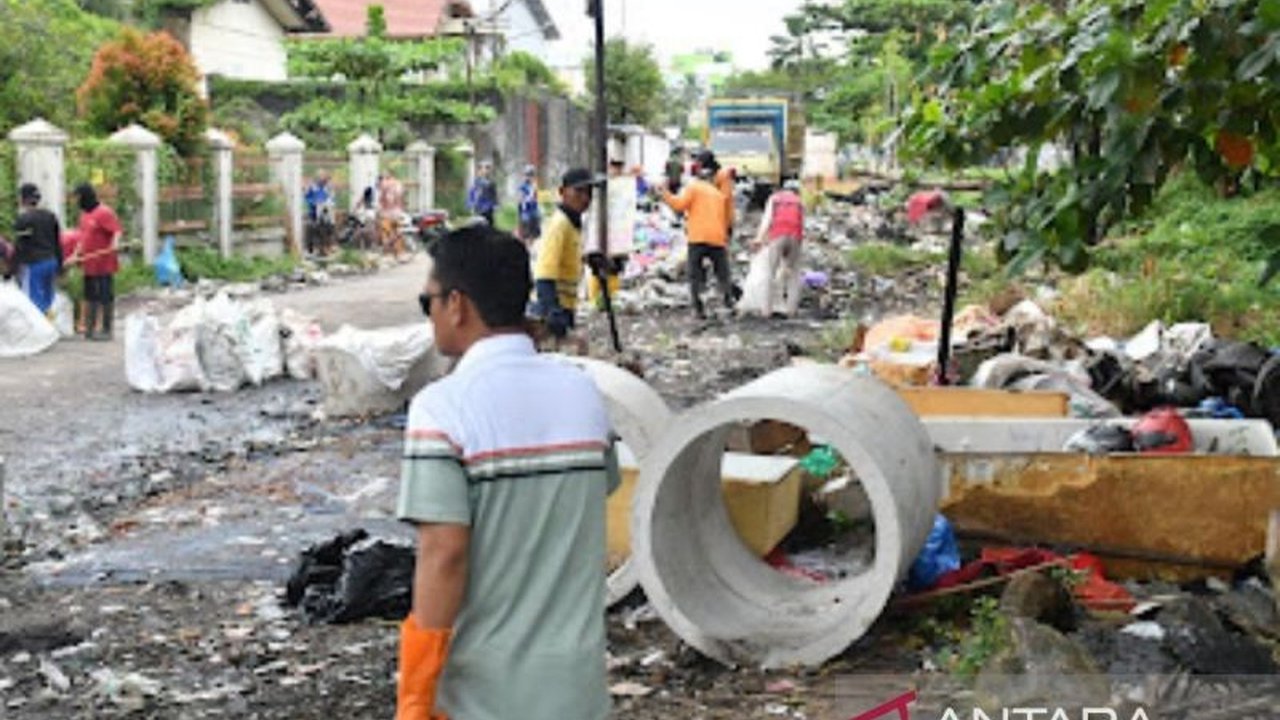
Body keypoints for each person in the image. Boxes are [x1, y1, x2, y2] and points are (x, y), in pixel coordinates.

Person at [397, 223, 618, 720]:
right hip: (578, 688)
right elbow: (589, 500)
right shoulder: (581, 393)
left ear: (457, 304)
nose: (430, 315)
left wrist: (415, 692)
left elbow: (444, 554)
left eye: (426, 301)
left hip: (485, 696)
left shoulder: (442, 409)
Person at [532, 167, 597, 348]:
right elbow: (544, 273)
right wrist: (552, 310)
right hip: (550, 308)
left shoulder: (573, 223)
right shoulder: (559, 224)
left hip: (566, 305)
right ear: (562, 192)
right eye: (578, 191)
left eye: (589, 193)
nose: (585, 198)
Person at [661, 162, 732, 320]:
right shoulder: (717, 193)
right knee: (722, 273)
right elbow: (727, 218)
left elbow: (679, 205)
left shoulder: (694, 188)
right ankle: (728, 301)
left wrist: (664, 192)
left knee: (694, 274)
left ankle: (698, 308)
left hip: (698, 237)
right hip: (718, 237)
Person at [70, 182, 122, 341]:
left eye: (78, 197)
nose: (76, 200)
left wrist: (115, 245)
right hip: (89, 263)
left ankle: (107, 329)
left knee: (105, 294)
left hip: (104, 263)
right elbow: (82, 238)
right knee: (90, 294)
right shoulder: (84, 215)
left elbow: (116, 231)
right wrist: (75, 254)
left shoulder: (104, 213)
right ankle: (90, 329)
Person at [748, 179, 806, 317]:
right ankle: (792, 310)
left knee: (770, 273)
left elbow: (767, 220)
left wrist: (759, 239)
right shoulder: (799, 202)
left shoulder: (775, 199)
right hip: (795, 236)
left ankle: (766, 310)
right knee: (793, 275)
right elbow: (802, 223)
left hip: (778, 235)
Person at [12, 183, 62, 314]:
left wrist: (13, 269)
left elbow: (20, 246)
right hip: (51, 262)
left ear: (23, 199)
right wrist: (60, 265)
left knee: (32, 302)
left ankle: (39, 331)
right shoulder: (51, 216)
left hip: (34, 264)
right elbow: (57, 242)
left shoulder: (23, 220)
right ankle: (49, 328)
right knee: (47, 299)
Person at [304, 171, 335, 256]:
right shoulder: (312, 187)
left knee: (329, 225)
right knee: (310, 226)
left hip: (325, 211)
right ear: (317, 178)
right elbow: (306, 198)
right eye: (321, 178)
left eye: (324, 178)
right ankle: (311, 248)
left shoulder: (328, 188)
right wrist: (314, 203)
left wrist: (329, 203)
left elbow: (332, 198)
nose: (323, 180)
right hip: (313, 213)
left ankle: (329, 246)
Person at [378, 173, 406, 257]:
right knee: (397, 231)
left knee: (385, 232)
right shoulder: (399, 184)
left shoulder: (384, 184)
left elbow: (382, 199)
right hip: (397, 212)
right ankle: (399, 252)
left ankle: (387, 251)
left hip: (387, 212)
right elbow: (401, 198)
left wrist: (381, 207)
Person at [467, 161, 498, 226]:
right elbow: (471, 196)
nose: (483, 171)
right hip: (477, 210)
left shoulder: (491, 184)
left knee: (488, 228)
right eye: (480, 169)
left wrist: (494, 206)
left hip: (487, 211)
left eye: (486, 169)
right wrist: (470, 204)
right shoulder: (475, 184)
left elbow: (494, 197)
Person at [516, 164, 541, 244]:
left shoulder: (534, 185)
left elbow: (536, 198)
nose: (529, 177)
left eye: (531, 175)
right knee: (525, 231)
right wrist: (528, 199)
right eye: (527, 175)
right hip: (525, 212)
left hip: (534, 211)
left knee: (534, 232)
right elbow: (520, 199)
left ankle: (531, 246)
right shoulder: (522, 186)